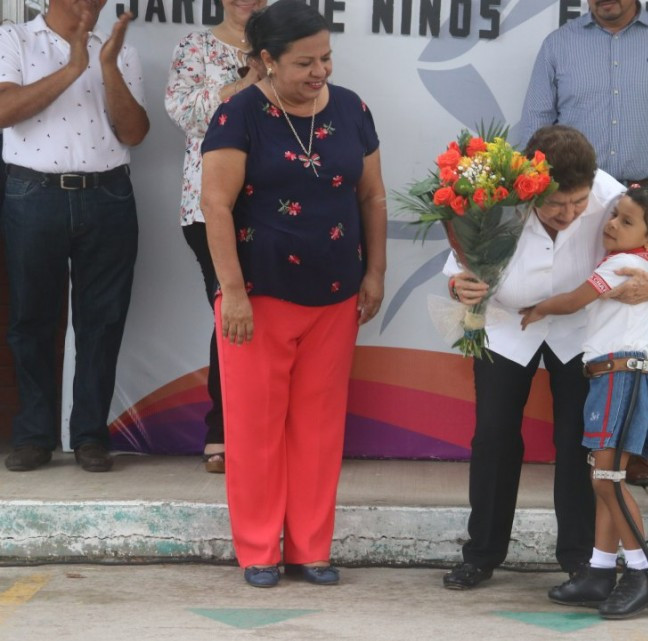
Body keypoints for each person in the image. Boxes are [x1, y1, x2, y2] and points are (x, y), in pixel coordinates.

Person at [200, 0, 387, 588]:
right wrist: (232, 292)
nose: (319, 71)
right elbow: (215, 204)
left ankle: (311, 549)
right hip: (258, 297)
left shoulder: (354, 109)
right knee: (255, 430)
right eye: (304, 62)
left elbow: (373, 198)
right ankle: (259, 550)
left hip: (335, 297)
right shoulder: (239, 115)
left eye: (326, 57)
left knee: (319, 428)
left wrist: (375, 272)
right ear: (266, 61)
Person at [441, 125, 648, 591]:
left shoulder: (609, 192)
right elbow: (458, 259)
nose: (569, 213)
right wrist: (457, 284)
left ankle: (581, 559)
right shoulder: (495, 193)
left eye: (579, 203)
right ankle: (482, 553)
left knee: (578, 443)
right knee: (493, 437)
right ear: (530, 186)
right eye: (555, 204)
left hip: (579, 331)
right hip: (507, 325)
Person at [514, 0, 648, 486]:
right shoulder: (560, 45)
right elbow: (533, 128)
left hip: (642, 208)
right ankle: (590, 441)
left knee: (635, 332)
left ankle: (633, 447)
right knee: (577, 330)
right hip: (577, 209)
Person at [519, 187, 648, 618]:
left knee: (606, 482)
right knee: (605, 478)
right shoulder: (638, 260)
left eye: (626, 222)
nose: (611, 224)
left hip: (620, 376)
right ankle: (599, 570)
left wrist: (536, 308)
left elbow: (574, 302)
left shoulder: (623, 264)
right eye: (614, 214)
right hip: (610, 376)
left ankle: (644, 573)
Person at [0, 0, 148, 473]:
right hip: (33, 192)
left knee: (102, 321)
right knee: (31, 319)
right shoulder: (14, 39)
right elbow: (4, 110)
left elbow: (135, 132)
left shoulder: (120, 50)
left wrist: (105, 67)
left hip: (108, 195)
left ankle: (89, 436)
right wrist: (74, 67)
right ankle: (35, 435)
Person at [165, 0, 268, 475]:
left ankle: (263, 428)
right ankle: (222, 429)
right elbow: (189, 116)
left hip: (275, 208)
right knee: (230, 308)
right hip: (209, 207)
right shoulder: (194, 48)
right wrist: (248, 81)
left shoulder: (283, 46)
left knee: (272, 316)